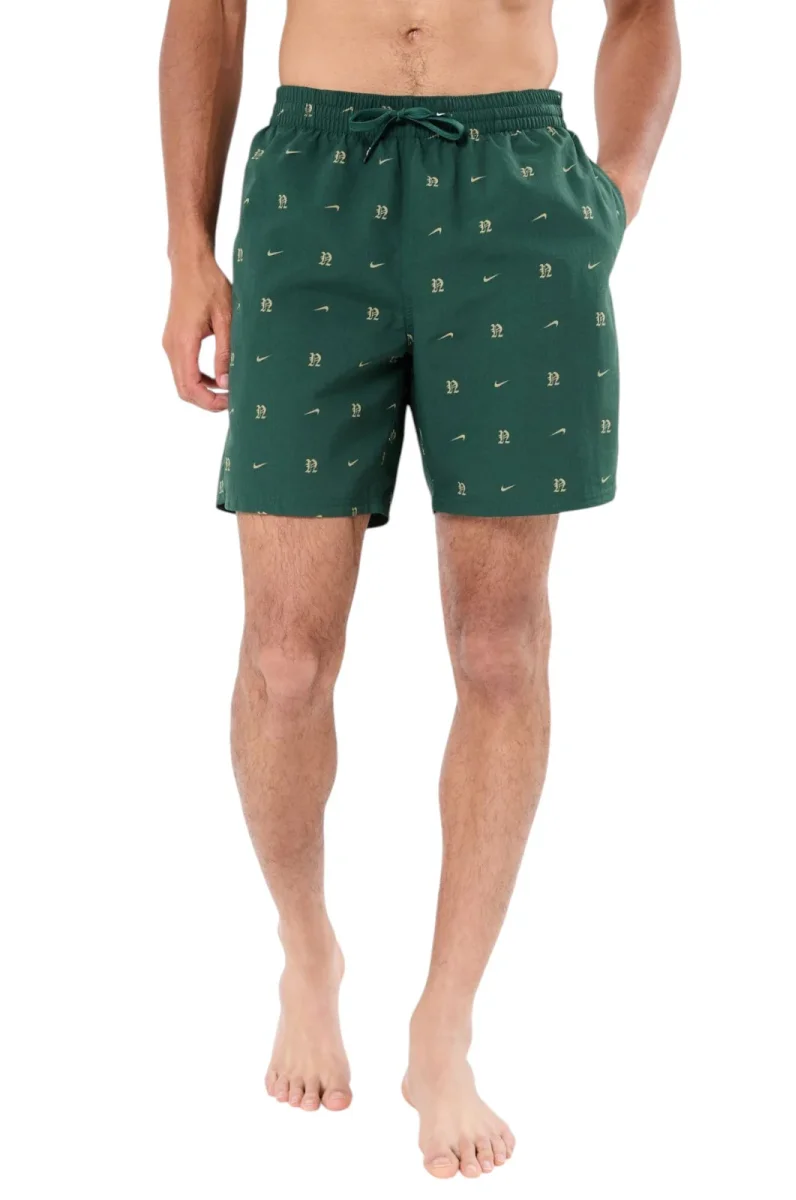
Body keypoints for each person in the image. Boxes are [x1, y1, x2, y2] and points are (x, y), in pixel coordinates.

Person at [160, 0, 680, 1178]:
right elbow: (210, 9)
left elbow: (645, 13)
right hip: (314, 184)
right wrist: (188, 247)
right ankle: (308, 952)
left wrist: (620, 186)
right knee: (284, 658)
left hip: (518, 187)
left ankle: (445, 1024)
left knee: (499, 648)